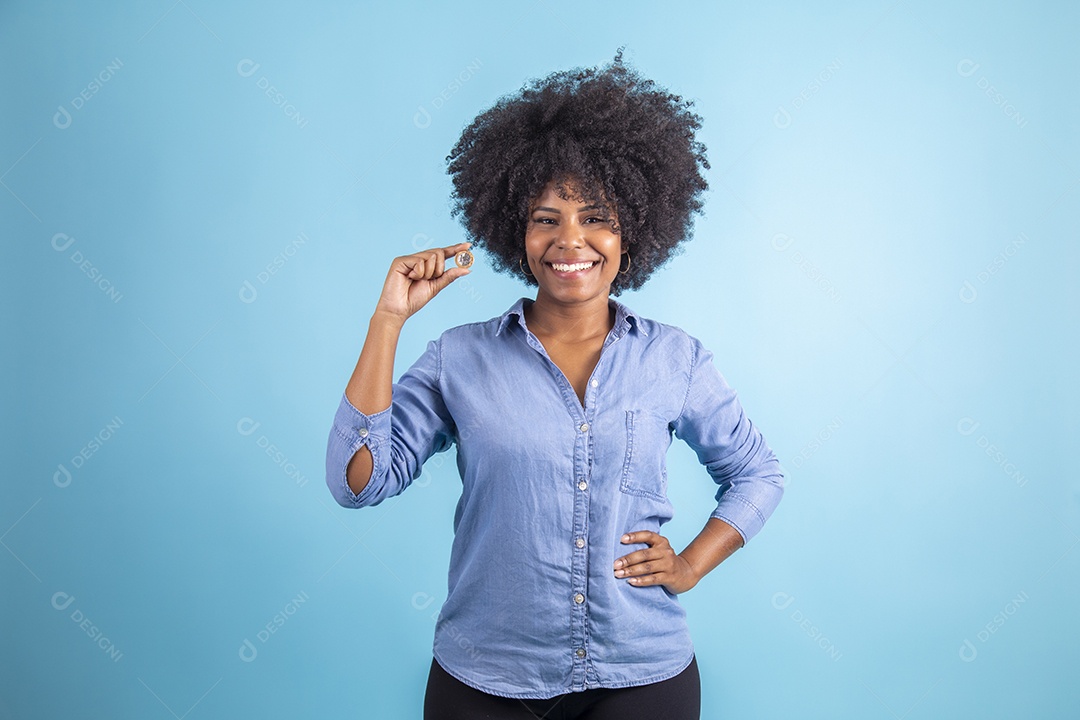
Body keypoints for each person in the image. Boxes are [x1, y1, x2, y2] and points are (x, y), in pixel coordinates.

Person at [325, 48, 784, 720]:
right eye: (547, 218)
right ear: (516, 229)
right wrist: (388, 319)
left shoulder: (674, 359)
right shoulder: (459, 358)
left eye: (596, 215)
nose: (572, 240)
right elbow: (357, 483)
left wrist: (688, 566)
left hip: (642, 675)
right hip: (485, 677)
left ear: (633, 229)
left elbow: (758, 474)